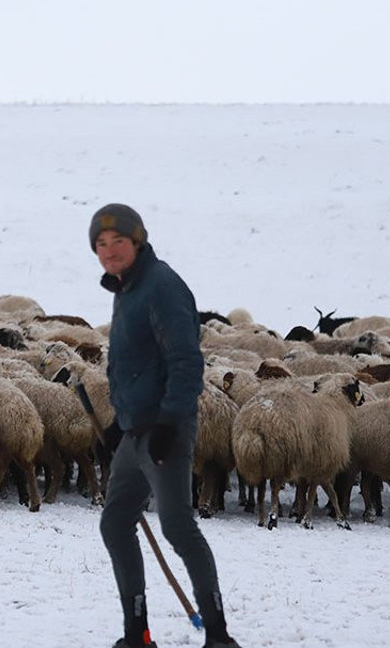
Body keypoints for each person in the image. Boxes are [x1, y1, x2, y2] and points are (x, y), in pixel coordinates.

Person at [89, 203, 240, 648]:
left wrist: (171, 423)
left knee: (177, 527)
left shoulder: (162, 286)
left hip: (164, 431)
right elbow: (135, 365)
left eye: (118, 241)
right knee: (116, 523)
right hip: (136, 432)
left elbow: (185, 361)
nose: (110, 251)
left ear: (138, 241)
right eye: (101, 244)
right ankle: (137, 634)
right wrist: (121, 422)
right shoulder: (127, 289)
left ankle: (218, 634)